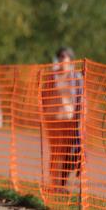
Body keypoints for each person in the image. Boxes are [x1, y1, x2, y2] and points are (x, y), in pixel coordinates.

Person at [44, 46, 84, 194]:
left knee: (69, 153)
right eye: (60, 56)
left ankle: (62, 183)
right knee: (56, 152)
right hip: (53, 119)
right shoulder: (52, 76)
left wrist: (79, 117)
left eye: (65, 56)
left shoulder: (76, 77)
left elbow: (81, 97)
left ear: (71, 59)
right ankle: (55, 185)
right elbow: (44, 94)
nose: (62, 59)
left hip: (70, 119)